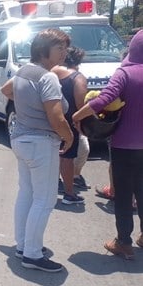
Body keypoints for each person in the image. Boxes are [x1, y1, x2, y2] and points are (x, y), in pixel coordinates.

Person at [0, 28, 73, 273]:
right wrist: (69, 136)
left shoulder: (23, 72)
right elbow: (56, 117)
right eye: (59, 48)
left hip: (21, 140)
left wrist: (26, 107)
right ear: (44, 50)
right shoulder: (47, 77)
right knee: (45, 199)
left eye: (65, 48)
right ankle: (32, 254)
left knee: (28, 193)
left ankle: (23, 246)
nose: (64, 53)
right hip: (41, 143)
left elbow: (6, 90)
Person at [72, 29, 143, 260]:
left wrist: (77, 117)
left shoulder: (125, 73)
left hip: (124, 146)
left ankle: (123, 243)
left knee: (123, 195)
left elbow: (104, 99)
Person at [51, 47, 88, 204]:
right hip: (70, 123)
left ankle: (53, 186)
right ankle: (69, 193)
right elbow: (81, 105)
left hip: (52, 119)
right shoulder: (78, 78)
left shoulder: (52, 71)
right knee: (68, 158)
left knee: (56, 154)